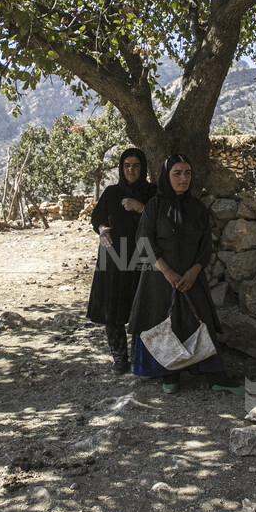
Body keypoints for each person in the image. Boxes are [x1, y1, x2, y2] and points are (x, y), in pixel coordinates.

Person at [127, 154, 242, 394]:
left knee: (201, 320)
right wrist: (167, 272)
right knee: (163, 321)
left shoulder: (196, 207)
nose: (183, 178)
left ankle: (215, 375)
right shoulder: (154, 207)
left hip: (192, 278)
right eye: (177, 173)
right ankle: (170, 375)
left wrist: (194, 271)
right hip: (159, 279)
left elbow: (205, 246)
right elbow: (144, 242)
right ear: (167, 177)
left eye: (187, 173)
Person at [87, 148, 157, 373]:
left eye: (136, 165)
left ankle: (140, 359)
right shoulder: (111, 193)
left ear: (143, 167)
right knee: (113, 307)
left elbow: (160, 220)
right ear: (121, 167)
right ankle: (119, 358)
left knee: (142, 305)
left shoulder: (152, 192)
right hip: (114, 257)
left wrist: (140, 207)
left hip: (142, 255)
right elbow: (96, 217)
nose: (131, 170)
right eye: (127, 165)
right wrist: (102, 228)